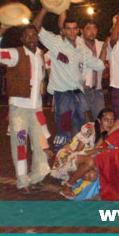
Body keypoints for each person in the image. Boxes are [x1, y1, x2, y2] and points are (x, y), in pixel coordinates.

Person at [32, 9, 105, 151]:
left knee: (85, 128)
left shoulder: (82, 49)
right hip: (62, 95)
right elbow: (36, 27)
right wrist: (45, 8)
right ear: (63, 31)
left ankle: (79, 157)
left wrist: (105, 47)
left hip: (79, 94)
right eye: (68, 29)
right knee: (63, 130)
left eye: (74, 29)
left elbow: (99, 65)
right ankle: (61, 166)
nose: (71, 32)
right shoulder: (55, 43)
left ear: (78, 30)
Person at [0, 24, 52, 194]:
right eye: (27, 36)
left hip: (37, 110)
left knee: (41, 144)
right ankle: (22, 182)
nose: (31, 39)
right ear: (22, 39)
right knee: (20, 146)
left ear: (37, 37)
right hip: (19, 111)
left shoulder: (41, 55)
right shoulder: (16, 54)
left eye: (34, 36)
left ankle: (36, 177)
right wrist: (1, 31)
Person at [52, 108, 116, 199]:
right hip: (68, 155)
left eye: (112, 120)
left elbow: (93, 153)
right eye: (106, 120)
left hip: (81, 160)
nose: (109, 123)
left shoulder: (104, 135)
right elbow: (77, 153)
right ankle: (67, 186)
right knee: (90, 161)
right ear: (99, 120)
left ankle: (70, 177)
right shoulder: (89, 128)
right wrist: (97, 151)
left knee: (93, 175)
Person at [78, 19, 109, 119]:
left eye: (94, 28)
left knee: (100, 121)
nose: (92, 31)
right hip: (82, 91)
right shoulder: (76, 45)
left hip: (97, 90)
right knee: (82, 125)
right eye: (88, 29)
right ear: (81, 31)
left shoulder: (101, 45)